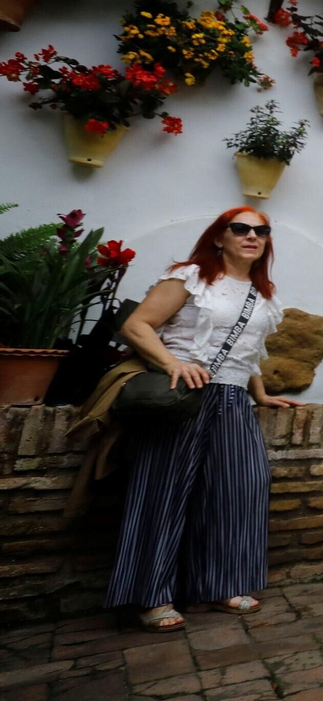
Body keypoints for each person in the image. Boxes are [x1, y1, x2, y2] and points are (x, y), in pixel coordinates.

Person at [105, 207, 302, 632]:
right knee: (164, 491)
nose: (252, 236)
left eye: (261, 231)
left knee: (242, 487)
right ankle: (152, 595)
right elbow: (137, 326)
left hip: (233, 401)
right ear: (219, 237)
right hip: (184, 395)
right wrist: (173, 362)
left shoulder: (262, 293)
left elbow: (246, 353)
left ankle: (220, 584)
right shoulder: (190, 277)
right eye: (241, 228)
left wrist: (260, 393)